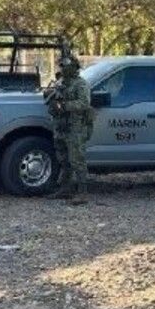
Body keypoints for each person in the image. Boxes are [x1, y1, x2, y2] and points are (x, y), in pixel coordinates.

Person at [43, 55, 93, 205]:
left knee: (77, 160)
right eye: (62, 66)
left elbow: (84, 103)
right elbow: (53, 97)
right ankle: (65, 189)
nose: (63, 69)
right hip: (61, 126)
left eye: (65, 66)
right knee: (63, 160)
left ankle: (83, 193)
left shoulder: (80, 84)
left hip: (75, 127)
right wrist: (51, 96)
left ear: (73, 68)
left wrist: (64, 105)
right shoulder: (61, 83)